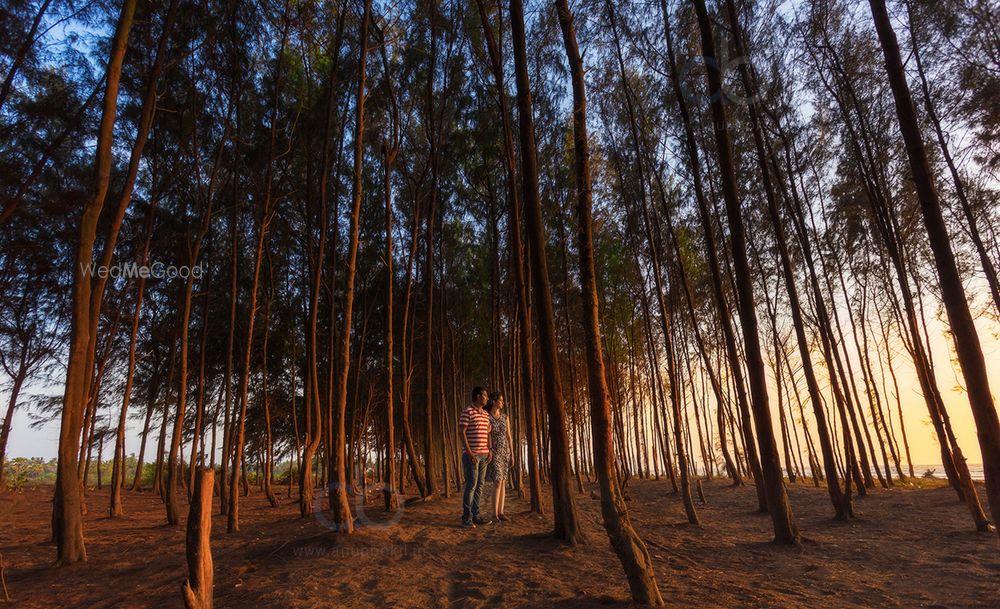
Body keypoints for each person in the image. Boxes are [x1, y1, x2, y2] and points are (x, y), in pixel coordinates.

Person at [459, 386, 492, 527]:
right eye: (485, 396)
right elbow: (461, 433)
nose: (487, 398)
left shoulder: (486, 415)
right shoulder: (467, 412)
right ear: (478, 396)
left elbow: (488, 432)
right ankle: (467, 518)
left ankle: (476, 515)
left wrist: (490, 450)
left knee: (479, 486)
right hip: (471, 455)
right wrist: (469, 452)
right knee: (471, 485)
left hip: (484, 455)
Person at [485, 391, 513, 522]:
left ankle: (501, 512)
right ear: (494, 401)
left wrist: (512, 453)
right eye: (501, 400)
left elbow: (509, 436)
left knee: (502, 481)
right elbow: (486, 435)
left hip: (505, 452)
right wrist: (489, 449)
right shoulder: (487, 417)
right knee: (497, 481)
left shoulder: (505, 417)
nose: (502, 403)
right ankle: (493, 514)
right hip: (494, 451)